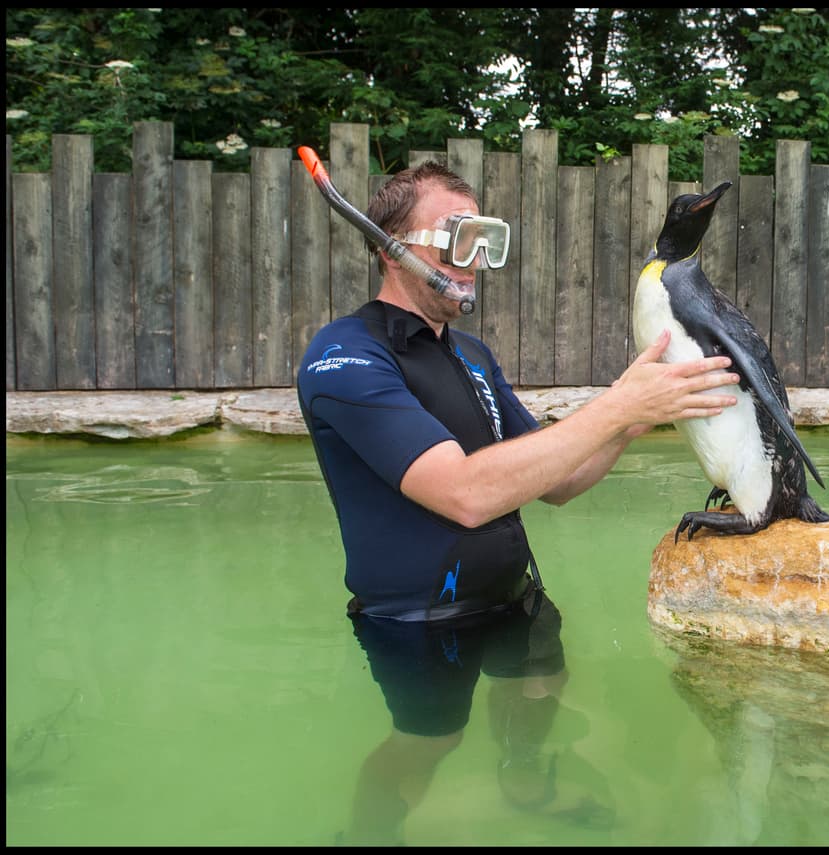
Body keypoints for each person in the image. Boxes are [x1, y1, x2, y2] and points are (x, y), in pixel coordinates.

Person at [296, 160, 738, 843]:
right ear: (393, 247)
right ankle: (366, 833)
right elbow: (466, 494)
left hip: (512, 594)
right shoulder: (344, 357)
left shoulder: (472, 355)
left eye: (485, 239)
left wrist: (628, 415)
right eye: (456, 236)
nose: (474, 260)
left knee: (540, 683)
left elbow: (556, 478)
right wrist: (619, 404)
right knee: (429, 743)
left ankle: (522, 776)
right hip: (419, 619)